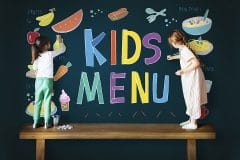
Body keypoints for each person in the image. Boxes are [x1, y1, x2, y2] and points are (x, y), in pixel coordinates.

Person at [167, 30, 207, 130]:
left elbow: (196, 63)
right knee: (190, 97)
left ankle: (193, 123)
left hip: (192, 77)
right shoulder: (183, 49)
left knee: (192, 97)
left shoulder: (185, 50)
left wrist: (182, 71)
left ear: (174, 42)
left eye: (172, 42)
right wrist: (173, 57)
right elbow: (184, 57)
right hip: (191, 76)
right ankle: (191, 119)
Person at [31, 35, 66, 129]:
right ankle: (47, 123)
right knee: (47, 101)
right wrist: (60, 41)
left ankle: (35, 123)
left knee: (37, 102)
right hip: (48, 81)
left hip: (38, 81)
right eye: (49, 43)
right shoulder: (50, 54)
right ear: (46, 46)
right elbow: (62, 50)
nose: (50, 44)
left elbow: (34, 68)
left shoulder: (37, 57)